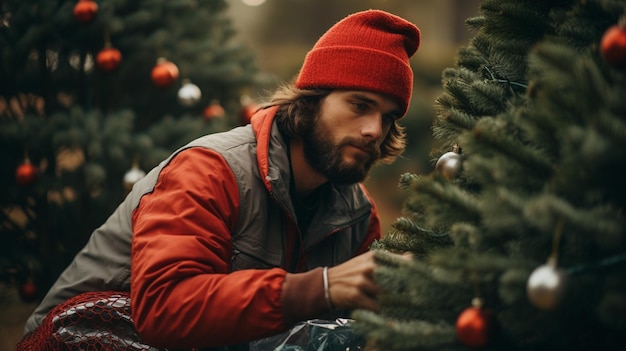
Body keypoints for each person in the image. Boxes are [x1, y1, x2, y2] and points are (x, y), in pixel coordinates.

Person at [21, 9, 421, 350]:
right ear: (312, 100)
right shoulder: (211, 170)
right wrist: (322, 287)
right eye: (359, 105)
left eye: (388, 117)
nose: (374, 129)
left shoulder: (358, 216)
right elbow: (163, 307)